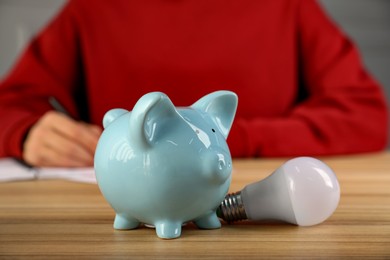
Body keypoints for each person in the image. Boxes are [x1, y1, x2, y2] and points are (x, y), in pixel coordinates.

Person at [0, 0, 388, 167]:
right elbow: (9, 105)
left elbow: (367, 115)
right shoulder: (91, 9)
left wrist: (225, 139)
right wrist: (27, 131)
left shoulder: (288, 6)